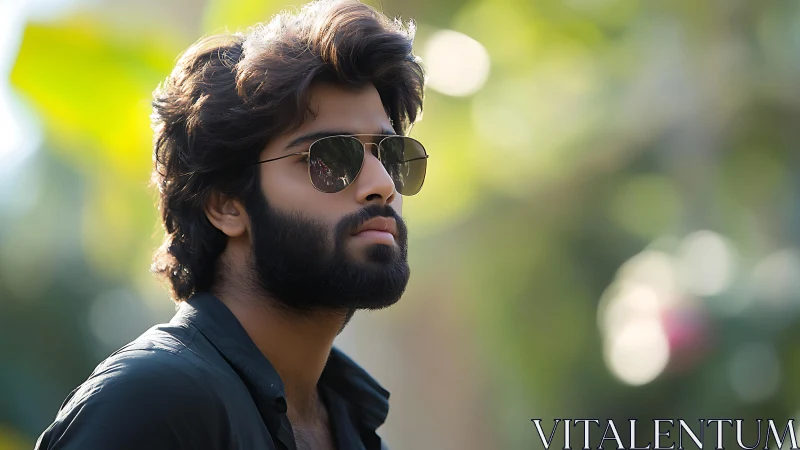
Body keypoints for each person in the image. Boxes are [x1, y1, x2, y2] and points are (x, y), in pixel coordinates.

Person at [34, 0, 427, 448]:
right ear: (225, 204)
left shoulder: (352, 427)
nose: (381, 184)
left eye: (390, 154)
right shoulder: (150, 405)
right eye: (330, 158)